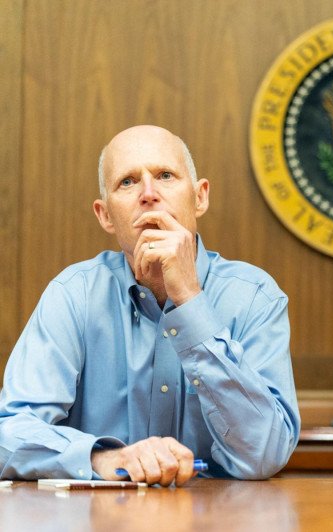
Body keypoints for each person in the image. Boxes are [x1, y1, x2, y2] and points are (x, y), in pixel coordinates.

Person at [0, 125, 300, 485]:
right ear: (105, 215)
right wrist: (105, 457)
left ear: (200, 197)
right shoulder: (73, 295)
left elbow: (264, 454)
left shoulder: (254, 297)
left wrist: (190, 300)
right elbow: (9, 436)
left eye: (165, 175)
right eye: (127, 182)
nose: (148, 194)